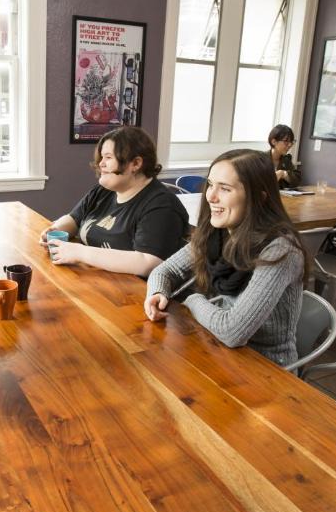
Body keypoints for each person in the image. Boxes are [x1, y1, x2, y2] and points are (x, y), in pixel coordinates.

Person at [143, 150, 306, 366]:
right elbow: (165, 271)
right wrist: (158, 291)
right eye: (210, 184)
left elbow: (232, 331)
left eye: (225, 188)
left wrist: (191, 301)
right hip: (217, 350)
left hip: (266, 369)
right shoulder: (218, 233)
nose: (210, 196)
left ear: (259, 197)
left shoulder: (281, 251)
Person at [41, 126, 189, 277]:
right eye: (102, 157)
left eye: (108, 157)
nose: (101, 164)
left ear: (136, 164)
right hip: (94, 280)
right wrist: (55, 229)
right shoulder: (103, 190)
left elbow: (148, 263)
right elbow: (74, 218)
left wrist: (79, 252)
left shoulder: (162, 206)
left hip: (134, 295)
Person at [267, 124, 301, 188]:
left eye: (291, 141)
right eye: (286, 141)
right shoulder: (260, 159)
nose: (290, 145)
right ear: (274, 141)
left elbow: (297, 180)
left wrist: (283, 173)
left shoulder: (286, 160)